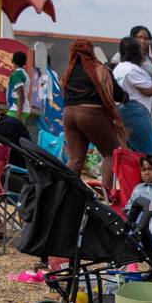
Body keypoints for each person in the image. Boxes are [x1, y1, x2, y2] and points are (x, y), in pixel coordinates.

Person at [60, 39, 127, 194]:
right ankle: (106, 195)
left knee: (75, 159)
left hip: (69, 114)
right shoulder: (99, 69)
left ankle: (67, 195)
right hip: (92, 114)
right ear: (91, 52)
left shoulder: (68, 71)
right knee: (111, 153)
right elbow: (118, 95)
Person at [112, 36, 152, 154]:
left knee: (130, 153)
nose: (144, 54)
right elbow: (149, 90)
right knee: (149, 153)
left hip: (120, 111)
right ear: (134, 52)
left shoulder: (118, 68)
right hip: (135, 112)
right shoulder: (133, 69)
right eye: (142, 51)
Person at [5, 50, 35, 131]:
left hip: (16, 111)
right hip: (21, 110)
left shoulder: (17, 74)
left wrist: (17, 117)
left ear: (13, 62)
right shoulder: (24, 74)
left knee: (3, 128)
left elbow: (20, 95)